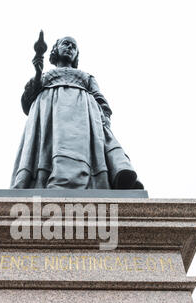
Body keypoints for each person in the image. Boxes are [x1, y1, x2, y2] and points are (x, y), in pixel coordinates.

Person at [10, 36, 143, 190]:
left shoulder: (86, 77)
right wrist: (38, 73)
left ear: (76, 55)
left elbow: (100, 99)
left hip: (83, 116)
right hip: (50, 117)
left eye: (74, 47)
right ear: (56, 49)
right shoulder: (46, 76)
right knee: (54, 149)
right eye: (65, 44)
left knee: (85, 150)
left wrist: (105, 119)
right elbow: (27, 103)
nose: (69, 48)